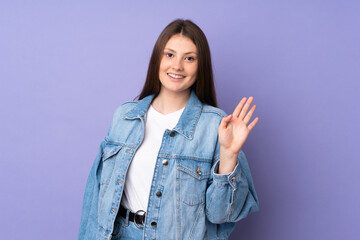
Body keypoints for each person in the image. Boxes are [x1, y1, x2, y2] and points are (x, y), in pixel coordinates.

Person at [79, 19, 259, 240]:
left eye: (189, 58)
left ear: (200, 66)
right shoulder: (124, 117)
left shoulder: (216, 125)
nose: (177, 66)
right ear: (157, 60)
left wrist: (229, 156)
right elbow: (95, 198)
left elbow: (221, 215)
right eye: (170, 55)